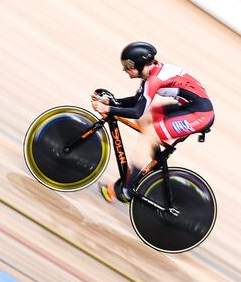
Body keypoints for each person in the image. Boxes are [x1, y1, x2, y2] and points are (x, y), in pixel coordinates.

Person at [91, 41, 213, 203]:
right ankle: (151, 168)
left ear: (141, 64)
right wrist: (111, 102)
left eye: (128, 66)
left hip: (200, 114)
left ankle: (127, 189)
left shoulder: (154, 79)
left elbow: (135, 109)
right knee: (144, 119)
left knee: (149, 135)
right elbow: (137, 102)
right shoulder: (150, 73)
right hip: (190, 107)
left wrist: (108, 110)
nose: (124, 69)